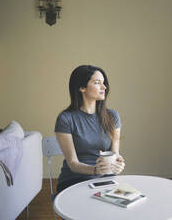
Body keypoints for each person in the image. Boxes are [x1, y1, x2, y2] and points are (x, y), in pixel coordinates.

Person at [54, 65, 125, 195]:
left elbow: (115, 154)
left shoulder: (112, 117)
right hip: (74, 179)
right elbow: (73, 163)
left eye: (103, 83)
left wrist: (118, 164)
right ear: (82, 87)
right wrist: (95, 170)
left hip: (105, 179)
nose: (104, 87)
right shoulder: (65, 119)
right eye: (97, 83)